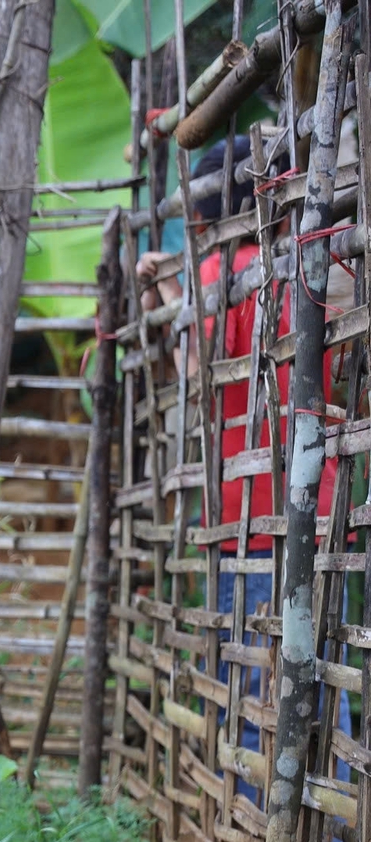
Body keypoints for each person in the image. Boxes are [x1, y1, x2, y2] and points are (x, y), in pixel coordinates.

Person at [136, 135, 349, 802]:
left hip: (249, 514)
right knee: (325, 693)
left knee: (256, 695)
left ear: (203, 215)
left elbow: (197, 383)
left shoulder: (219, 276)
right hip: (320, 511)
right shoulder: (306, 265)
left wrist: (168, 294)